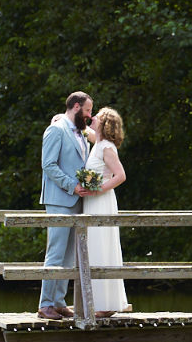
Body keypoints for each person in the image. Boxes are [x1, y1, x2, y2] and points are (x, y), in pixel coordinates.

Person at [38, 91, 95, 319]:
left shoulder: (81, 132)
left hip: (78, 199)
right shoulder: (56, 129)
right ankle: (45, 304)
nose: (90, 115)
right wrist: (72, 186)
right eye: (88, 110)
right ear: (76, 106)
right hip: (59, 199)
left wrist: (89, 184)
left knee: (70, 255)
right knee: (55, 252)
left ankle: (59, 302)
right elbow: (48, 165)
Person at [82, 107, 131, 316]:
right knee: (93, 248)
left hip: (101, 201)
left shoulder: (107, 147)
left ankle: (107, 305)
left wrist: (97, 189)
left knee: (102, 246)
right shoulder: (99, 143)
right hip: (93, 202)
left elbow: (120, 176)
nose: (93, 118)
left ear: (105, 124)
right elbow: (85, 130)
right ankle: (99, 302)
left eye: (98, 117)